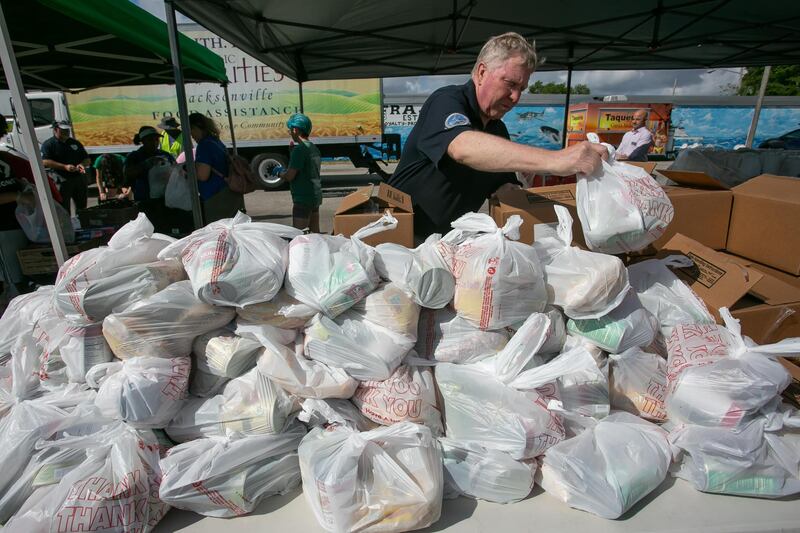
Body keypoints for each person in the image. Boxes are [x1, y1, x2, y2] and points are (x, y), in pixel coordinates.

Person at [387, 32, 607, 239]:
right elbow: (462, 147)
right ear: (482, 72)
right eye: (510, 84)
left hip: (447, 244)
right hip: (399, 237)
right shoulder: (447, 100)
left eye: (522, 88)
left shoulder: (497, 129)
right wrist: (556, 160)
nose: (515, 97)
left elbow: (503, 191)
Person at [188, 112, 244, 223]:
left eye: (191, 131)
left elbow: (203, 175)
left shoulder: (204, 145)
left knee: (218, 233)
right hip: (229, 192)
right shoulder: (216, 141)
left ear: (196, 128)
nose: (191, 135)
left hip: (217, 197)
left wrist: (189, 170)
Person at [269, 113, 322, 232]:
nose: (290, 133)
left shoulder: (300, 149)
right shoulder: (313, 148)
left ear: (295, 130)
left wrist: (279, 172)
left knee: (300, 236)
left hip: (302, 198)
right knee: (315, 235)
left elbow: (290, 176)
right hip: (315, 196)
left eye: (290, 130)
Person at [41, 120, 91, 214]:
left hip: (78, 178)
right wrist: (65, 167)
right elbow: (45, 161)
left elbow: (86, 159)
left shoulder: (74, 143)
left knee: (82, 206)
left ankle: (81, 222)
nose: (66, 132)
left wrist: (82, 164)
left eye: (67, 130)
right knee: (63, 207)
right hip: (61, 179)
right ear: (55, 130)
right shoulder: (49, 144)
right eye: (63, 130)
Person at [123, 126, 174, 202]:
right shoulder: (135, 156)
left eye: (156, 139)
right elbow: (127, 174)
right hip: (144, 199)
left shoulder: (165, 155)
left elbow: (175, 169)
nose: (154, 143)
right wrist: (146, 164)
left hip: (166, 198)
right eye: (150, 140)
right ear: (143, 141)